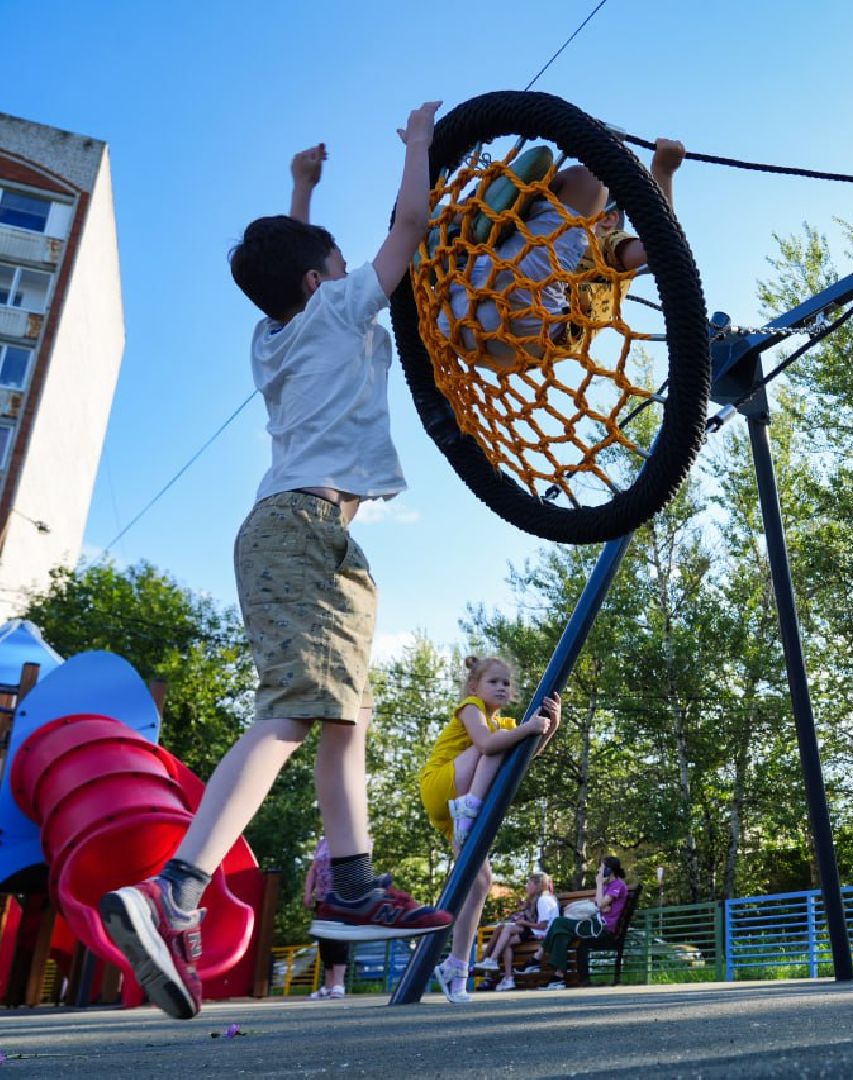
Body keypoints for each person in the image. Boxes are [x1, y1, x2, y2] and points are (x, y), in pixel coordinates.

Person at [98, 104, 453, 1022]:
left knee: (343, 713)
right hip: (303, 529)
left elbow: (287, 264)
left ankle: (350, 883)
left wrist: (300, 190)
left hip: (301, 534)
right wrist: (417, 145)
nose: (351, 269)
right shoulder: (337, 304)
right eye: (336, 260)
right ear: (318, 277)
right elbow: (408, 228)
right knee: (297, 712)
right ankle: (179, 885)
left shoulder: (273, 332)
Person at [438, 138, 686, 369]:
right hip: (477, 326)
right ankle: (463, 225)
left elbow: (656, 250)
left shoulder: (608, 242)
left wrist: (662, 172)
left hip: (526, 316)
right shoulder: (529, 241)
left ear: (608, 219)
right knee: (488, 244)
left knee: (586, 180)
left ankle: (466, 221)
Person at [417, 657, 562, 1002]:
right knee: (499, 741)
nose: (501, 688)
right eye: (493, 681)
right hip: (442, 787)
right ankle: (470, 808)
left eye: (506, 684)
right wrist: (526, 729)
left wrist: (550, 726)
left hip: (456, 810)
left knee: (480, 882)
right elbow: (485, 745)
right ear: (473, 687)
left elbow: (522, 757)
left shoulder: (507, 723)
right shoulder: (471, 708)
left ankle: (456, 967)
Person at [538, 856, 630, 990]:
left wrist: (599, 885)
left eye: (601, 868)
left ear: (609, 870)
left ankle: (539, 955)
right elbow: (601, 905)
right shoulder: (608, 886)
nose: (598, 870)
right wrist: (603, 905)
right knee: (561, 934)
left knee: (559, 922)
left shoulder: (618, 885)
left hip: (602, 928)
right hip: (594, 924)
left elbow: (599, 904)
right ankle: (558, 977)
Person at [474, 871, 558, 991]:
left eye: (529, 884)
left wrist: (524, 922)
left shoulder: (543, 900)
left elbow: (543, 926)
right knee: (504, 937)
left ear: (537, 885)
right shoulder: (540, 898)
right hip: (534, 931)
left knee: (506, 929)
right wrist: (523, 910)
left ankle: (490, 962)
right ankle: (506, 977)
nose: (527, 886)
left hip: (539, 934)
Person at [302, 836, 347, 1000]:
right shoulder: (323, 842)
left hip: (342, 899)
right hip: (322, 899)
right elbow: (313, 869)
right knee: (325, 942)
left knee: (339, 940)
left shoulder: (351, 838)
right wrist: (308, 892)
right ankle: (328, 986)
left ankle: (339, 984)